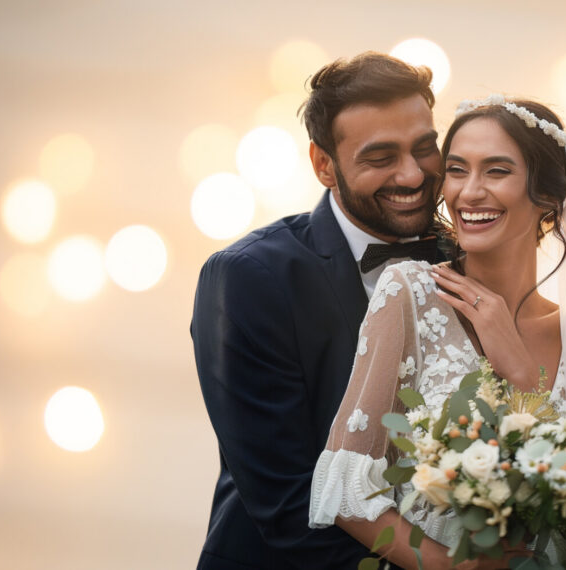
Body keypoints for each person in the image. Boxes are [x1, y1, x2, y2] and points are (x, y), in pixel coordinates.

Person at [309, 96, 566, 569]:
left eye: (497, 171)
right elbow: (344, 490)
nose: (469, 192)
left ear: (547, 195)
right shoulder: (411, 293)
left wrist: (521, 371)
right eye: (457, 170)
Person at [191, 52, 447, 569]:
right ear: (323, 164)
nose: (413, 173)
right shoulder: (248, 277)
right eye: (381, 157)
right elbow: (288, 505)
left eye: (425, 148)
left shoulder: (468, 260)